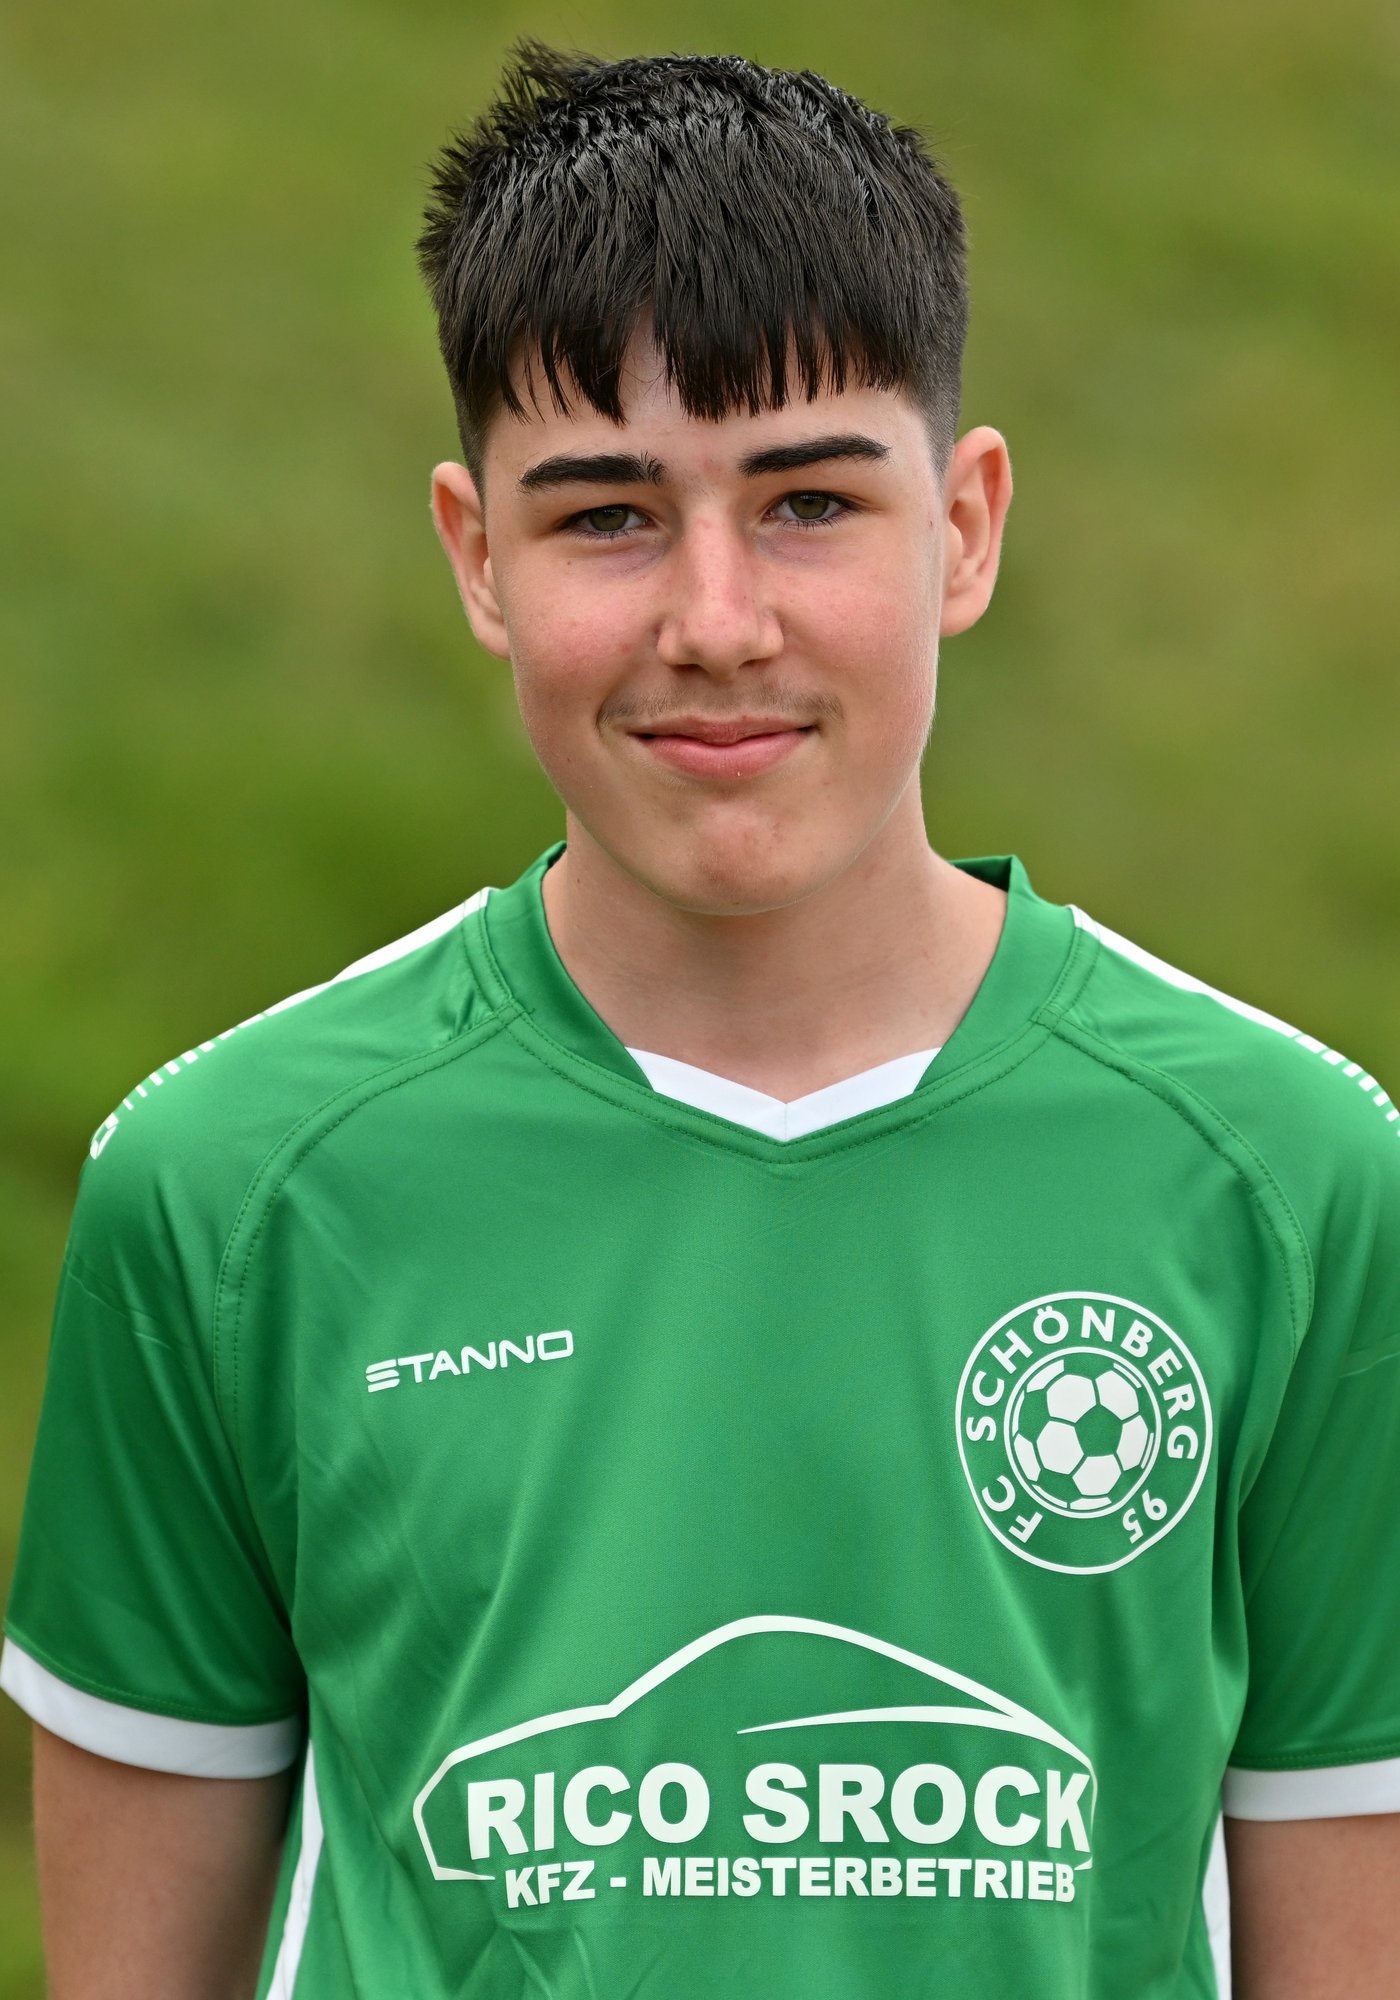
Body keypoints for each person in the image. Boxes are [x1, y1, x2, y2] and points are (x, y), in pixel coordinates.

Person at [4, 37, 1398, 2000]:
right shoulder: (231, 1190)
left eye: (810, 500)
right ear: (477, 555)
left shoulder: (1292, 1177)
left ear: (966, 526)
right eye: (607, 517)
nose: (718, 621)